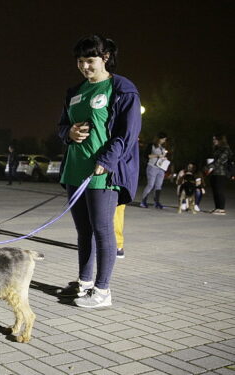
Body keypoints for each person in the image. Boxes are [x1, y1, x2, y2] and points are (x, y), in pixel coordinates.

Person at [56, 35, 141, 308]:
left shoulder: (121, 88)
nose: (84, 67)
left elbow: (128, 133)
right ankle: (85, 283)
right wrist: (68, 132)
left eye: (90, 61)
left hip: (103, 171)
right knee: (83, 231)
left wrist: (107, 158)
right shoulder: (74, 91)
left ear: (104, 58)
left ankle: (103, 291)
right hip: (75, 170)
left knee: (103, 230)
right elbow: (61, 126)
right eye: (80, 61)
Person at [139, 132, 168, 209]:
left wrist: (164, 158)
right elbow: (146, 155)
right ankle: (143, 201)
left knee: (159, 186)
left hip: (161, 168)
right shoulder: (151, 145)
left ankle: (157, 202)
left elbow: (163, 156)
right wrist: (157, 156)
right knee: (150, 185)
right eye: (163, 139)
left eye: (165, 139)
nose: (164, 141)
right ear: (158, 139)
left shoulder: (162, 147)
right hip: (152, 167)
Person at [206, 134, 232, 215]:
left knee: (219, 190)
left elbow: (220, 161)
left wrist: (209, 166)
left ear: (220, 140)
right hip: (214, 172)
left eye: (215, 139)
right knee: (215, 190)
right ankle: (217, 208)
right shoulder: (217, 148)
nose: (213, 141)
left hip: (221, 173)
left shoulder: (225, 149)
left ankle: (221, 209)